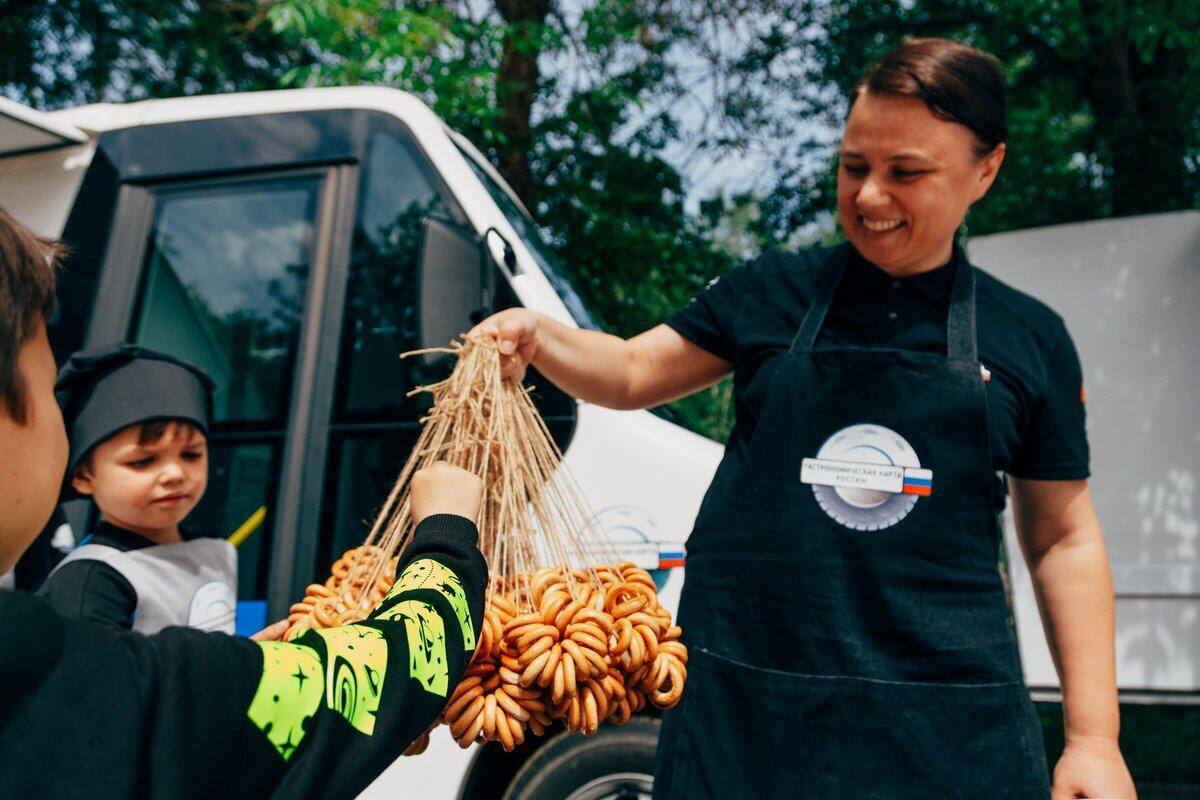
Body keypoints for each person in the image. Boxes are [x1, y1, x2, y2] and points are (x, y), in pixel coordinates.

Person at [476, 38, 1135, 799]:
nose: (869, 198)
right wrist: (540, 336)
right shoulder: (771, 292)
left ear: (986, 170)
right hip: (748, 714)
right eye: (853, 167)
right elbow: (629, 372)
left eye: (906, 173)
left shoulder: (1030, 337)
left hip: (944, 730)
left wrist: (1094, 740)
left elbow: (1062, 536)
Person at [0, 202, 489, 799]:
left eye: (192, 453)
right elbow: (391, 672)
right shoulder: (75, 648)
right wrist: (446, 530)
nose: (172, 476)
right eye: (45, 388)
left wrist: (231, 671)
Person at [38, 345, 237, 633]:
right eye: (143, 461)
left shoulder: (215, 552)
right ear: (83, 475)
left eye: (191, 455)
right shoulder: (89, 580)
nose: (174, 474)